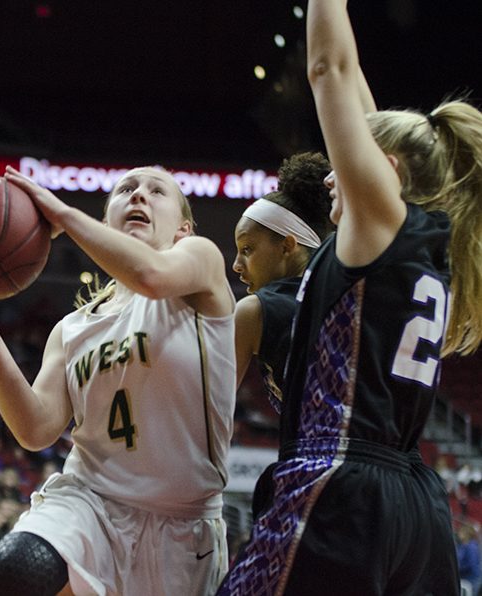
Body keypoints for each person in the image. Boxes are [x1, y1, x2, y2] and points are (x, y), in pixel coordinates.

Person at [218, 1, 482, 594]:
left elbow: (330, 70)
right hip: (413, 499)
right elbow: (360, 93)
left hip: (340, 480)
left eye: (346, 162)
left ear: (381, 170)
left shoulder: (378, 225)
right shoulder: (428, 240)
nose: (333, 174)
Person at [0, 164, 236, 595]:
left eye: (156, 191)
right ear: (107, 219)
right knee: (20, 565)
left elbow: (150, 276)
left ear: (183, 229)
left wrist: (65, 215)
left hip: (182, 524)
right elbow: (34, 429)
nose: (139, 195)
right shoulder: (72, 328)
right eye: (126, 189)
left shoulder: (201, 262)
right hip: (89, 502)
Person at [232, 151, 333, 402]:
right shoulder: (345, 294)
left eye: (247, 249)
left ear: (288, 245)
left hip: (318, 441)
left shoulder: (255, 310)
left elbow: (206, 403)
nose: (236, 265)